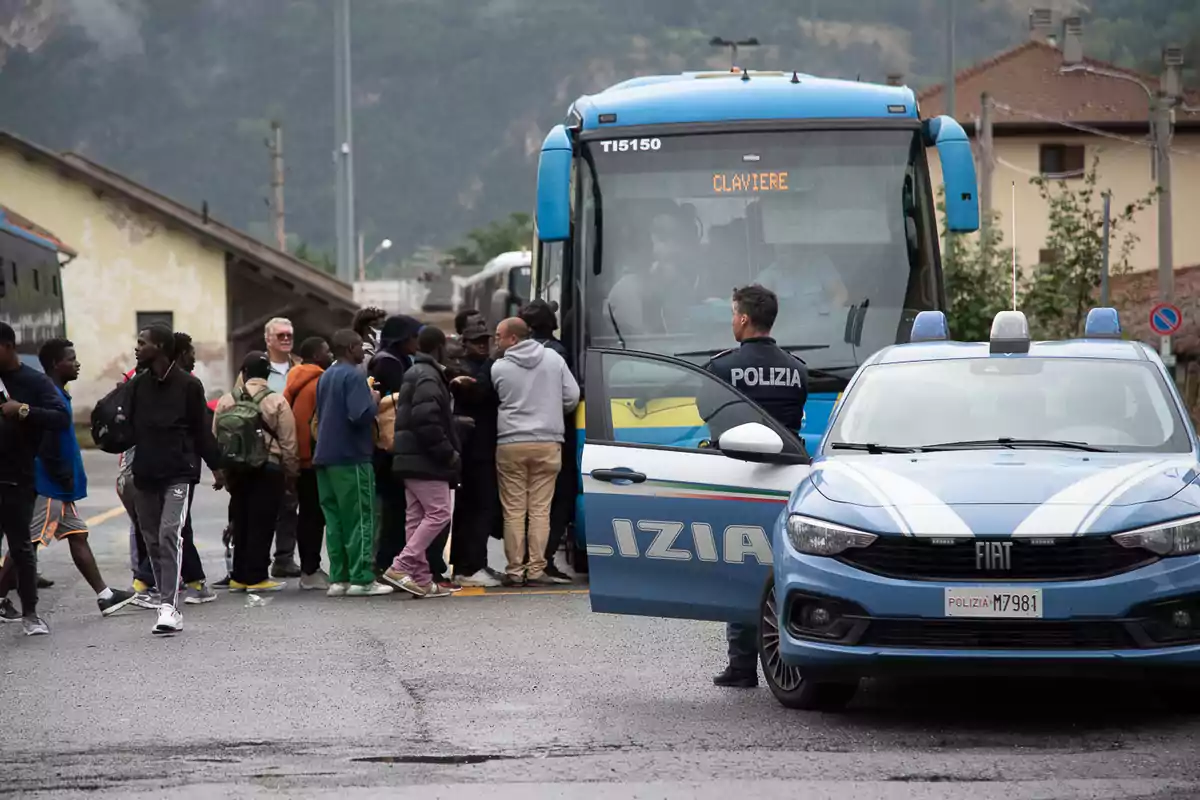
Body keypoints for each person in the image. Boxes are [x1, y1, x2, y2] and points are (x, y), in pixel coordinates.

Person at [704, 285, 808, 689]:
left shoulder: (722, 367)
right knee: (784, 567)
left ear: (744, 319)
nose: (732, 320)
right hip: (787, 480)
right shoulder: (797, 369)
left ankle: (742, 665)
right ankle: (792, 657)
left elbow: (709, 415)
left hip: (738, 478)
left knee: (740, 563)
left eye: (733, 314)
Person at [0, 338, 136, 620]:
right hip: (49, 484)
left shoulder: (58, 394)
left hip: (61, 485)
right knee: (25, 545)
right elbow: (47, 441)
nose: (77, 363)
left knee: (77, 535)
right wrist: (61, 474)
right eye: (70, 359)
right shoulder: (49, 395)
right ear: (54, 364)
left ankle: (105, 596)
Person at [129, 324, 224, 635]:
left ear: (160, 347)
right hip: (144, 474)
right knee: (153, 540)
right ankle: (164, 600)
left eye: (142, 343)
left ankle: (169, 607)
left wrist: (217, 466)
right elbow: (121, 425)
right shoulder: (138, 385)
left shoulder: (188, 386)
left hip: (178, 474)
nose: (137, 347)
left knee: (171, 534)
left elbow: (201, 430)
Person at [491, 317, 580, 586]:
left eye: (499, 336)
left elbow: (497, 397)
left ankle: (515, 571)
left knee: (514, 511)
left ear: (513, 339)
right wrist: (552, 411)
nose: (496, 341)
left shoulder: (499, 368)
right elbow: (572, 396)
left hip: (511, 444)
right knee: (541, 510)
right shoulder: (554, 360)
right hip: (547, 442)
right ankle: (537, 568)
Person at [0, 322, 70, 635]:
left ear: (8, 347)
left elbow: (60, 417)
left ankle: (30, 613)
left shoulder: (33, 381)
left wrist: (23, 410)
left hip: (17, 477)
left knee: (21, 548)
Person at [382, 326, 460, 598]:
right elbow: (426, 420)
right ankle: (401, 565)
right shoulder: (428, 375)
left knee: (415, 518)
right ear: (439, 347)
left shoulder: (414, 372)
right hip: (427, 459)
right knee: (439, 513)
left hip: (408, 458)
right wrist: (448, 453)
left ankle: (421, 579)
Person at [314, 330, 392, 597]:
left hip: (325, 456)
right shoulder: (354, 376)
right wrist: (374, 399)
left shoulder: (326, 376)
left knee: (334, 520)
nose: (363, 350)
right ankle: (362, 578)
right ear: (350, 348)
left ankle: (339, 578)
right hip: (351, 457)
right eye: (360, 346)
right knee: (361, 517)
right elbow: (359, 415)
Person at [214, 351, 300, 593]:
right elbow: (289, 443)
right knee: (262, 522)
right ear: (268, 375)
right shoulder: (277, 401)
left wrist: (221, 471)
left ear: (243, 373)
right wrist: (291, 474)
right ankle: (257, 577)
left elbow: (216, 438)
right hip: (268, 467)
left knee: (240, 519)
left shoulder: (226, 401)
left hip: (236, 469)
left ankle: (239, 576)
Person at [519, 300, 575, 584]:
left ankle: (521, 564)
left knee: (522, 504)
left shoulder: (511, 355)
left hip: (515, 437)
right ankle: (543, 561)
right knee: (556, 502)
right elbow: (571, 396)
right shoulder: (558, 353)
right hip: (553, 437)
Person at [448, 319, 502, 587]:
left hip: (480, 447)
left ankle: (467, 565)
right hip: (473, 450)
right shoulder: (462, 368)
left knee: (474, 508)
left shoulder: (480, 367)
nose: (483, 344)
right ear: (464, 343)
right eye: (477, 341)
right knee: (478, 508)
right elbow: (477, 392)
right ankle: (471, 567)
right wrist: (492, 364)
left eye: (486, 340)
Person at [368, 314, 421, 573]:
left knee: (395, 508)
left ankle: (390, 561)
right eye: (414, 336)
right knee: (394, 509)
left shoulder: (390, 359)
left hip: (385, 447)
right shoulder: (390, 364)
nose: (417, 341)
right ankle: (388, 563)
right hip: (389, 447)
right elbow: (399, 402)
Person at [283, 336, 333, 590]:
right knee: (315, 516)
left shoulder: (294, 379)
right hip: (314, 458)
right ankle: (310, 570)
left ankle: (309, 568)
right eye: (326, 350)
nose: (331, 354)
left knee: (307, 515)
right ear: (316, 356)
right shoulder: (319, 382)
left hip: (297, 458)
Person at [264, 317, 303, 579]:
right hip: (265, 450)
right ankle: (253, 561)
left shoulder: (300, 366)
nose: (286, 339)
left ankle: (284, 559)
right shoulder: (256, 367)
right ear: (268, 339)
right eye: (280, 335)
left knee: (291, 507)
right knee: (262, 508)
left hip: (295, 447)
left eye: (289, 334)